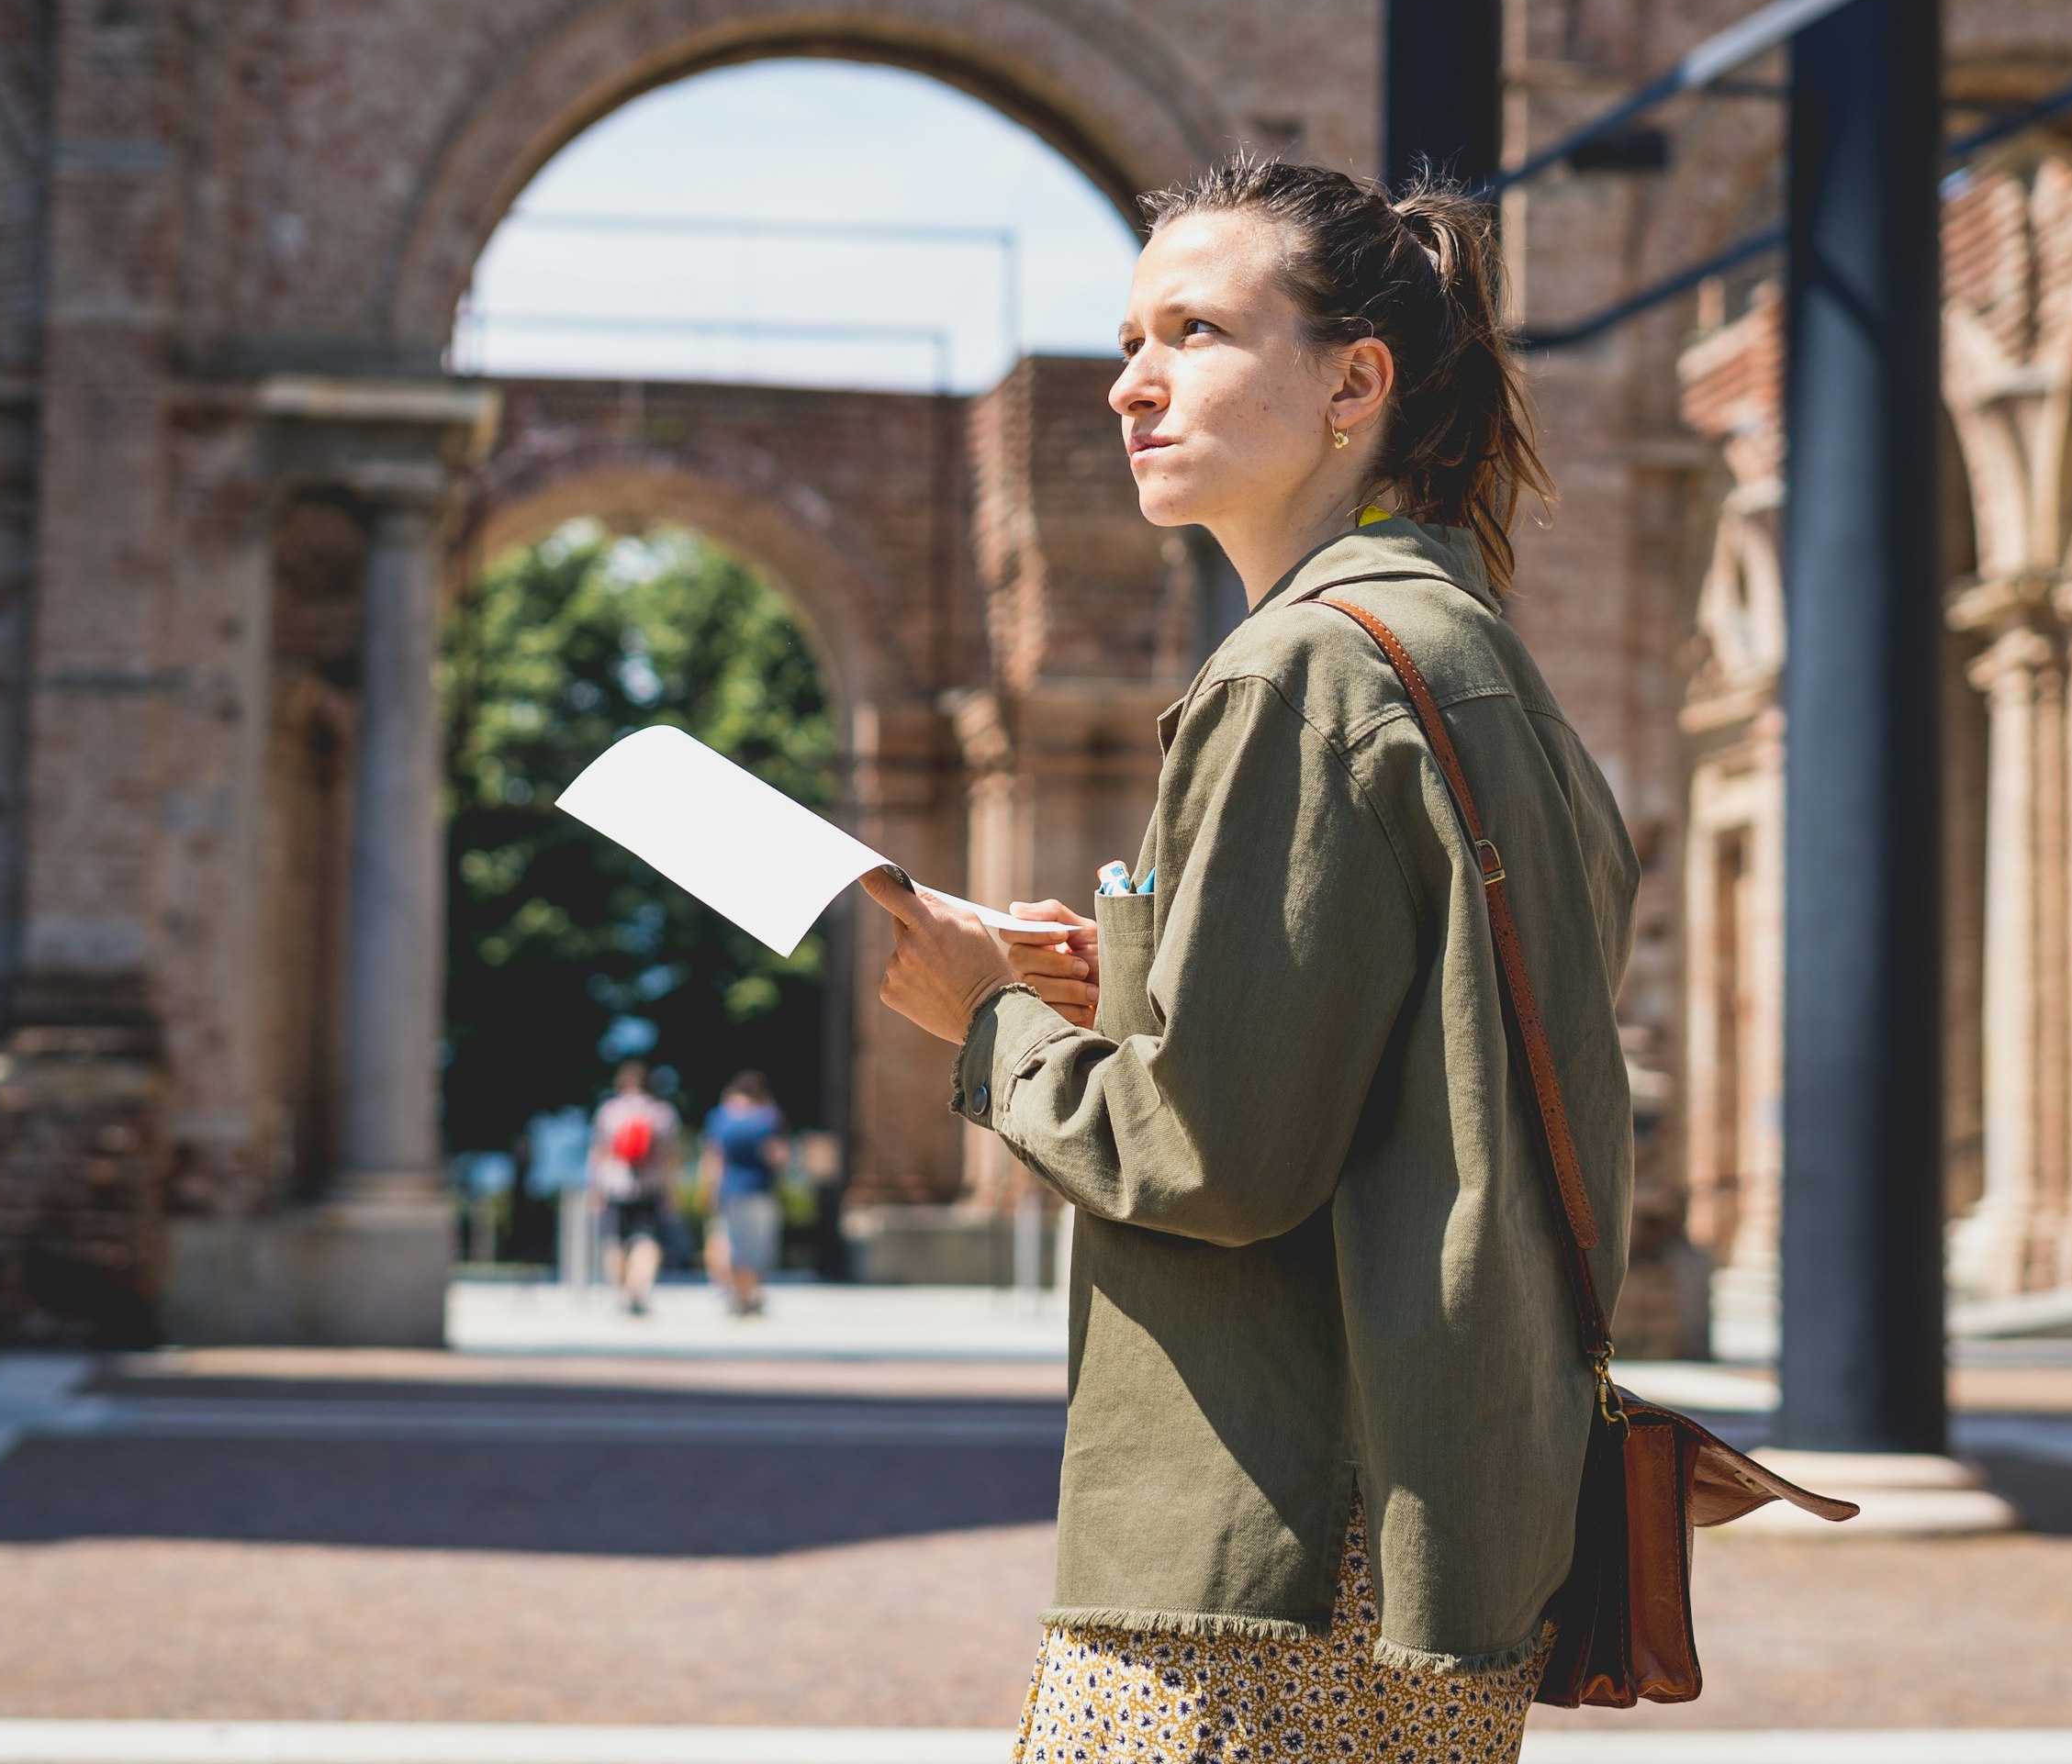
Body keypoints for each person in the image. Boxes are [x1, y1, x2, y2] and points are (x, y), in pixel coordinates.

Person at [864, 157, 1636, 1764]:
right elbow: (1379, 1069)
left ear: (1356, 380)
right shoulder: (1476, 660)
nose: (1130, 385)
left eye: (1197, 332)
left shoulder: (1296, 672)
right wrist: (1133, 981)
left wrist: (985, 1022)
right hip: (1435, 1533)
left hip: (1265, 1558)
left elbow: (1214, 1156)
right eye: (1130, 337)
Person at [587, 1061, 678, 1313]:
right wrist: (671, 1193)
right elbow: (670, 1158)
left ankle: (621, 1294)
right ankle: (637, 1290)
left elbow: (599, 1152)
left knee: (615, 1242)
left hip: (615, 1186)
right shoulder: (662, 1113)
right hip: (650, 1187)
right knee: (648, 1242)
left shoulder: (609, 1111)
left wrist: (595, 1188)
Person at [697, 1070, 790, 1315]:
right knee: (756, 1248)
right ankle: (748, 1294)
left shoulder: (720, 1118)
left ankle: (733, 1290)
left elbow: (713, 1157)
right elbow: (777, 1156)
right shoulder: (767, 1118)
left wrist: (708, 1189)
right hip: (760, 1190)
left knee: (728, 1241)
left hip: (728, 1190)